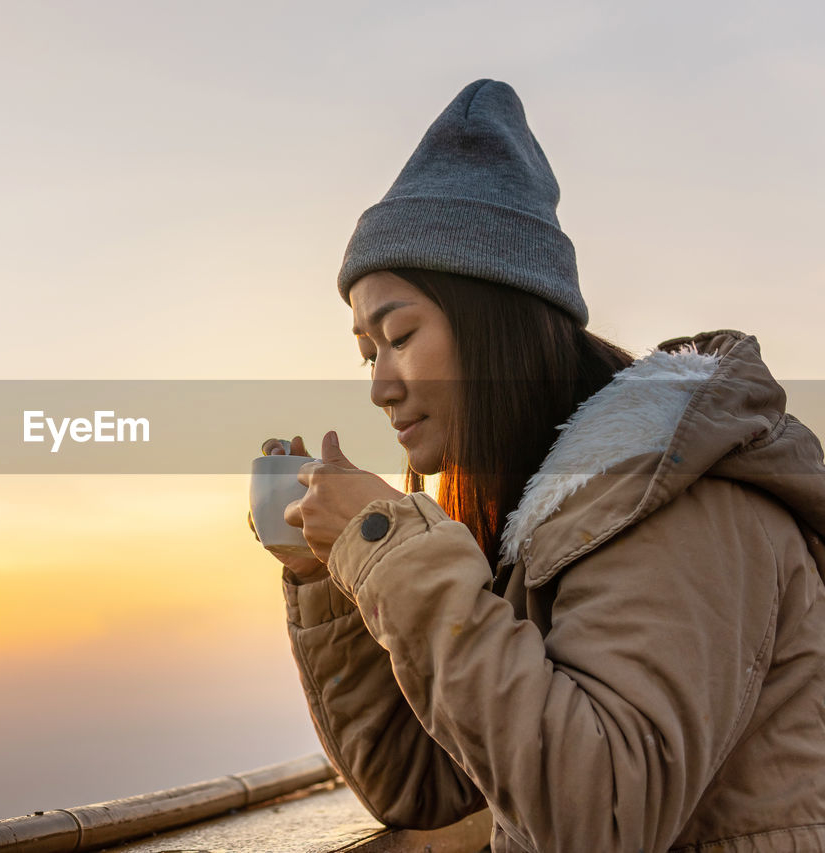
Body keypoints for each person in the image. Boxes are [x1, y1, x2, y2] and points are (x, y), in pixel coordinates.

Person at [255, 79, 825, 852]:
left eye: (400, 335)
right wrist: (328, 575)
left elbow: (600, 819)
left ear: (496, 320)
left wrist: (389, 544)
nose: (381, 386)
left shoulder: (678, 497)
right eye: (366, 353)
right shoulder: (551, 513)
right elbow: (422, 785)